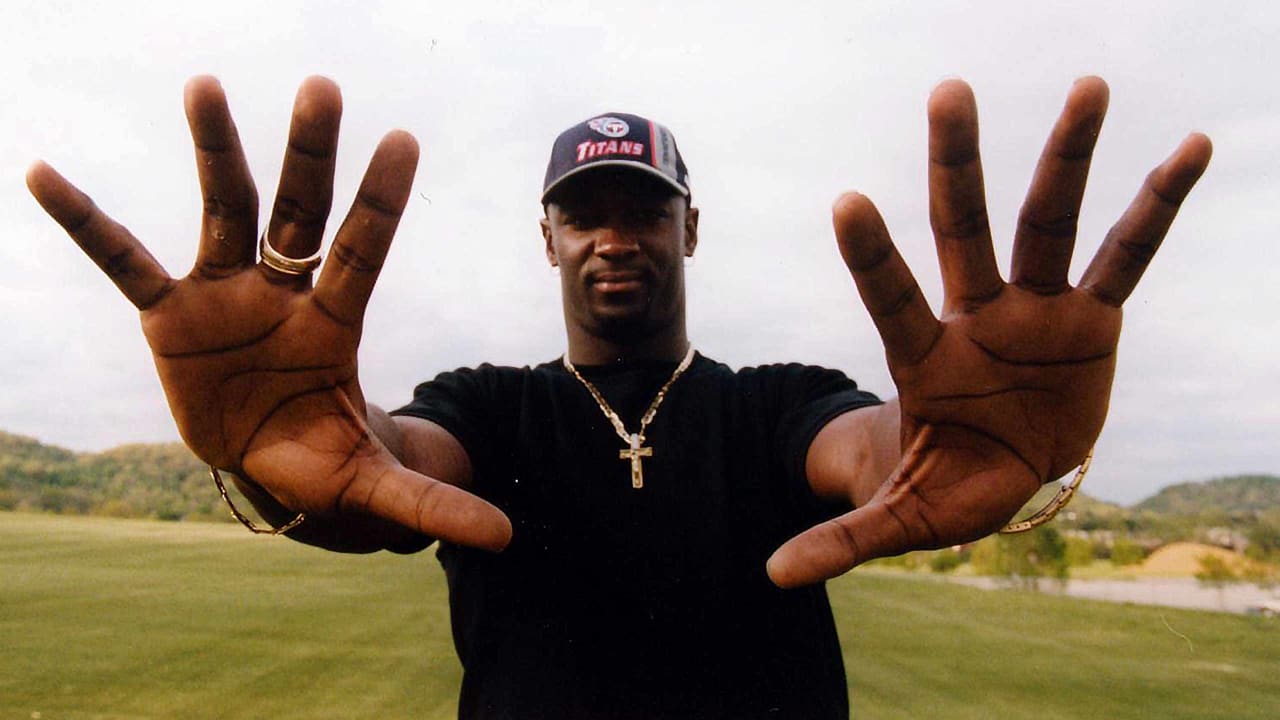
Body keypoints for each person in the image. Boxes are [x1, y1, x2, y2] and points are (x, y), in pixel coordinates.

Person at [26, 75, 1211, 719]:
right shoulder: (485, 406)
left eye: (641, 208)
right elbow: (389, 465)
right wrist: (265, 451)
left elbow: (872, 452)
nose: (612, 237)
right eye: (581, 214)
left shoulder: (774, 402)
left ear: (687, 225)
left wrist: (974, 446)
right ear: (546, 240)